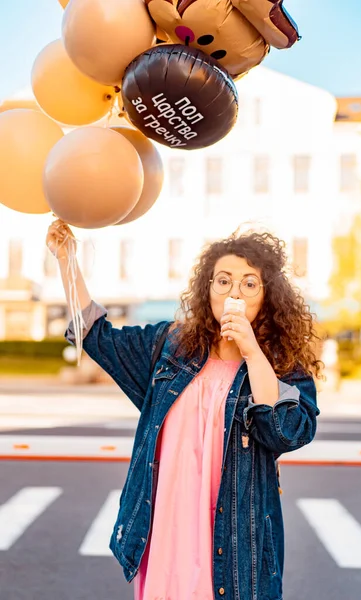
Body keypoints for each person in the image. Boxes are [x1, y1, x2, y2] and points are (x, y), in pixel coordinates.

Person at [46, 220, 322, 600]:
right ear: (207, 289)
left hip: (235, 543)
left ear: (267, 295)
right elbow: (96, 335)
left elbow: (287, 431)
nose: (234, 291)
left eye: (249, 283)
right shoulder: (171, 347)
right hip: (168, 531)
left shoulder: (281, 363)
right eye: (222, 280)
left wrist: (252, 352)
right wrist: (66, 261)